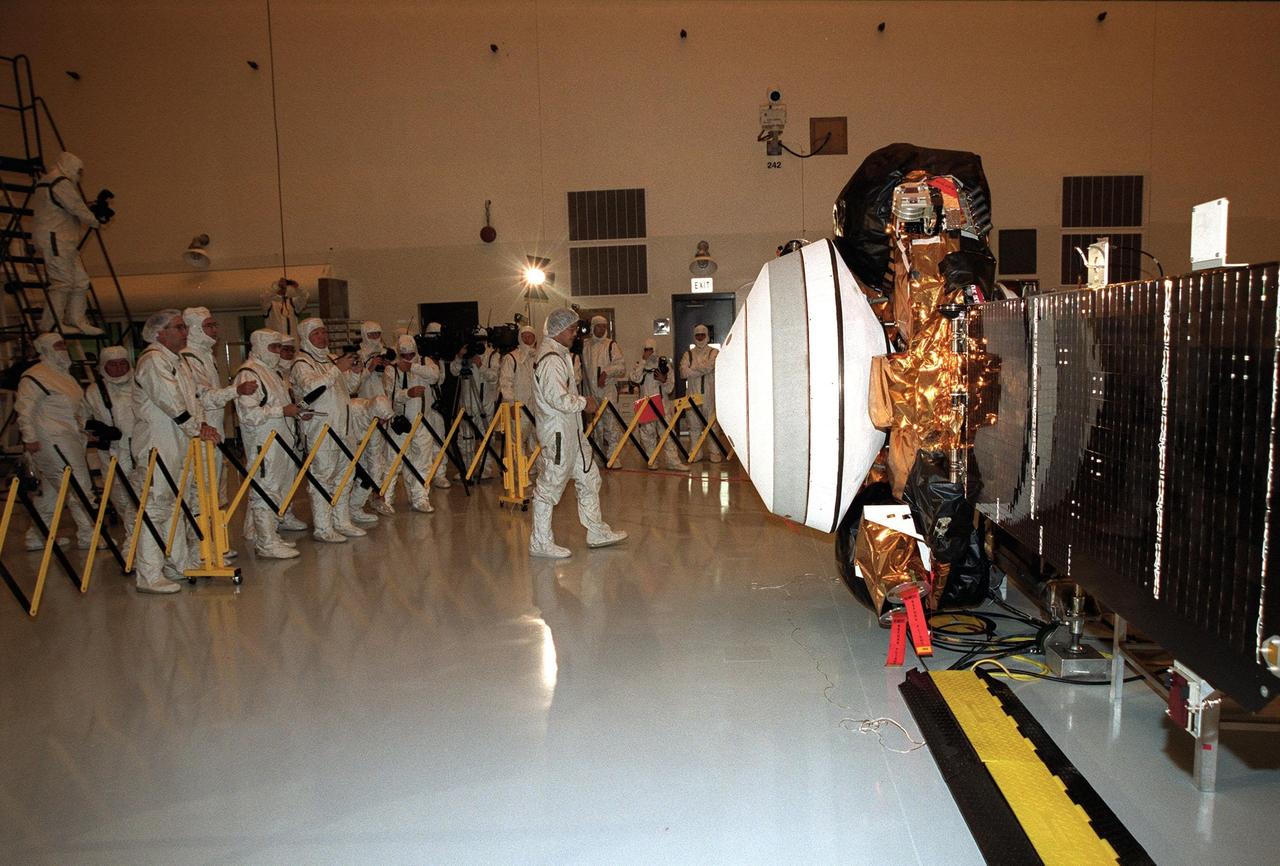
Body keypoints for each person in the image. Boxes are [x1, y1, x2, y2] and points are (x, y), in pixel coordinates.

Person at [131, 309, 221, 593]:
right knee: (155, 508)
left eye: (184, 327)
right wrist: (198, 428)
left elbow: (192, 399)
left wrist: (202, 423)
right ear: (159, 333)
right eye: (178, 327)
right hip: (157, 445)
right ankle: (148, 574)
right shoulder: (153, 360)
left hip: (178, 444)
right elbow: (170, 401)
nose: (184, 332)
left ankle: (177, 564)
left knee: (174, 507)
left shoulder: (178, 361)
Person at [528, 308, 627, 559]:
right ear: (559, 330)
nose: (575, 334)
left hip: (572, 430)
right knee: (549, 486)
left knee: (589, 478)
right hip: (559, 432)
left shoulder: (561, 355)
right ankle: (540, 541)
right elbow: (557, 399)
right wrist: (585, 403)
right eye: (572, 329)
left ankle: (596, 530)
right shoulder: (551, 359)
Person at [233, 329, 311, 559]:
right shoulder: (249, 374)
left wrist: (295, 413)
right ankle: (266, 542)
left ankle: (267, 533)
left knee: (278, 487)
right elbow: (248, 415)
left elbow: (281, 406)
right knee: (265, 489)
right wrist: (282, 411)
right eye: (273, 348)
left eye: (280, 347)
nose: (278, 352)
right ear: (258, 347)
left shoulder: (271, 372)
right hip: (264, 443)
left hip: (281, 442)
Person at [15, 333, 97, 550]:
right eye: (58, 345)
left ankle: (39, 536)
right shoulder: (34, 376)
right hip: (52, 440)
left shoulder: (64, 375)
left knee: (53, 492)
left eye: (63, 344)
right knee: (78, 486)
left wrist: (85, 429)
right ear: (45, 349)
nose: (63, 348)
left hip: (69, 437)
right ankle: (89, 534)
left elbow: (75, 408)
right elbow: (25, 410)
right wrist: (30, 438)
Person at [290, 317, 367, 542]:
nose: (322, 337)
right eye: (316, 333)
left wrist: (355, 371)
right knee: (323, 476)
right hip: (320, 429)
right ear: (306, 337)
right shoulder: (301, 363)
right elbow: (311, 388)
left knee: (345, 474)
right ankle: (323, 526)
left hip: (344, 428)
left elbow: (350, 388)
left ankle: (341, 520)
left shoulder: (332, 360)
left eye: (324, 332)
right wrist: (337, 369)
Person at [32, 152, 103, 334]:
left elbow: (68, 206)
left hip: (64, 241)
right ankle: (51, 324)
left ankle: (76, 319)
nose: (79, 176)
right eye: (78, 171)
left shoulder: (49, 182)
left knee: (80, 281)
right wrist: (94, 219)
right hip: (57, 240)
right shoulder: (59, 182)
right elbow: (76, 206)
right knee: (62, 282)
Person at [83, 346, 139, 540]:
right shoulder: (94, 390)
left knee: (143, 494)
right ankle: (132, 537)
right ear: (104, 367)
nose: (119, 368)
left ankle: (141, 539)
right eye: (113, 365)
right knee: (120, 496)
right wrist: (97, 430)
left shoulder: (140, 384)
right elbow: (81, 419)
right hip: (114, 451)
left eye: (123, 364)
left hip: (140, 446)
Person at [381, 334, 440, 512]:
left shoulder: (424, 362)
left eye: (411, 354)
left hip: (424, 422)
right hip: (402, 423)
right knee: (393, 461)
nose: (407, 358)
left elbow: (434, 376)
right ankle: (386, 498)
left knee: (423, 461)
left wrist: (413, 367)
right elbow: (391, 395)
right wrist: (408, 393)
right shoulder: (391, 370)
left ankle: (420, 497)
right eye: (404, 355)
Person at [630, 339, 687, 470]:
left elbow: (670, 388)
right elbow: (634, 379)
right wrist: (643, 362)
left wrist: (663, 380)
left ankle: (673, 461)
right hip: (645, 403)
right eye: (646, 349)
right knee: (647, 434)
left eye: (650, 349)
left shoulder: (665, 365)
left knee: (667, 433)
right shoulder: (639, 365)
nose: (649, 352)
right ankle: (652, 459)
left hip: (662, 404)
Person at [450, 327, 500, 480]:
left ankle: (485, 469)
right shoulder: (466, 354)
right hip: (467, 402)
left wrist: (480, 366)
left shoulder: (492, 355)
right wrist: (460, 357)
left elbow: (494, 377)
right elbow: (454, 371)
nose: (479, 344)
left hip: (485, 403)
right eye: (476, 341)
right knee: (465, 437)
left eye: (482, 340)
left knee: (487, 437)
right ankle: (467, 468)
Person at [273, 335, 308, 532]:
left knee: (290, 478)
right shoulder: (269, 374)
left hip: (293, 432)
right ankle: (256, 528)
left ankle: (286, 514)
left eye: (290, 350)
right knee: (270, 482)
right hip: (273, 434)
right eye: (283, 349)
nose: (287, 353)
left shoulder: (292, 373)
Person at [581, 315, 626, 461]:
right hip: (590, 392)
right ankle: (599, 457)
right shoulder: (585, 345)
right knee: (595, 426)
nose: (601, 329)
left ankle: (614, 457)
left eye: (604, 326)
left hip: (607, 391)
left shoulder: (611, 345)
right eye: (598, 326)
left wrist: (606, 372)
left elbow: (620, 366)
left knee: (611, 424)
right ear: (593, 327)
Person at [499, 325, 541, 475]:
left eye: (530, 336)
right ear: (519, 338)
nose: (528, 339)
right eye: (525, 336)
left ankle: (536, 469)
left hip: (537, 406)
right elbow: (506, 382)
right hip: (519, 406)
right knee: (517, 441)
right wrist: (510, 403)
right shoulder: (511, 358)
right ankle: (520, 473)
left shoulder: (539, 356)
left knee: (537, 440)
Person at [680, 323, 722, 462]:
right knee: (693, 425)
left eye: (702, 335)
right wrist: (701, 368)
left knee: (712, 425)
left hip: (709, 394)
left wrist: (694, 368)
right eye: (697, 335)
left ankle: (714, 452)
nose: (700, 337)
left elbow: (710, 366)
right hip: (692, 394)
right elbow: (683, 372)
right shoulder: (688, 354)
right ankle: (695, 451)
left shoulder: (714, 352)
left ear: (707, 335)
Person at [419, 322, 451, 489]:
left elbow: (440, 379)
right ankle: (425, 474)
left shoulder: (438, 359)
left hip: (435, 403)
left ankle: (440, 473)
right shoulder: (419, 358)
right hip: (420, 403)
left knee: (440, 438)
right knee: (423, 442)